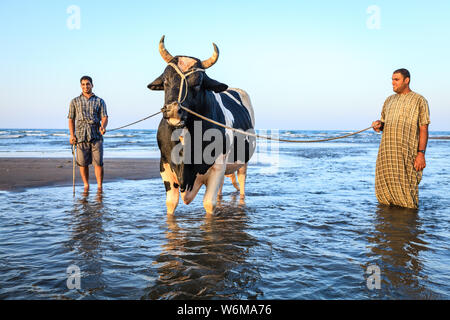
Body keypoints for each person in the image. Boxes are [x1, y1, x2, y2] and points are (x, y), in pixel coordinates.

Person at [372, 68, 430, 209]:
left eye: (396, 79)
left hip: (406, 153)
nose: (393, 83)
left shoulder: (419, 100)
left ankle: (409, 227)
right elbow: (384, 123)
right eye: (392, 79)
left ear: (406, 80)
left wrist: (421, 154)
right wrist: (379, 126)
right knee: (384, 196)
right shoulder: (389, 101)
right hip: (386, 154)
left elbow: (423, 128)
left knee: (407, 193)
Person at [68, 76, 108, 192]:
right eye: (83, 84)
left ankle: (100, 187)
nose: (86, 86)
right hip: (80, 136)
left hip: (96, 135)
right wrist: (72, 135)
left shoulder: (100, 101)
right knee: (82, 163)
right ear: (81, 86)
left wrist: (103, 126)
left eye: (88, 84)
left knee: (98, 163)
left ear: (92, 85)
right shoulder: (74, 101)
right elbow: (71, 119)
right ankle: (86, 186)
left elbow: (104, 117)